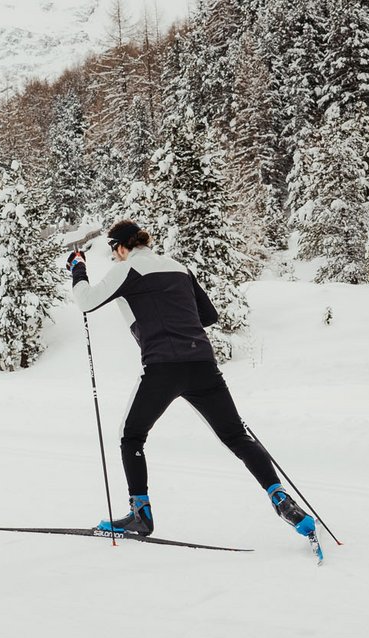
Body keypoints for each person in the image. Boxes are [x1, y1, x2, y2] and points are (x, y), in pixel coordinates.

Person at [68, 220, 314, 539]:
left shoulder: (127, 269)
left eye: (114, 252)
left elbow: (86, 301)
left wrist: (78, 268)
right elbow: (209, 316)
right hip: (202, 364)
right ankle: (281, 499)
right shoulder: (178, 267)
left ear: (121, 247)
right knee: (237, 437)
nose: (115, 258)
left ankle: (140, 515)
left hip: (163, 368)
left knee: (131, 436)